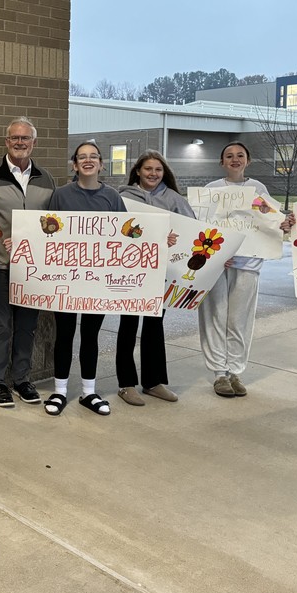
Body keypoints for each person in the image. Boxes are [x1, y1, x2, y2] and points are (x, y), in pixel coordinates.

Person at [0, 117, 56, 408]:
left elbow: (55, 223)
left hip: (32, 269)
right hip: (1, 267)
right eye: (15, 138)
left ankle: (21, 379)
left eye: (25, 138)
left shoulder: (47, 179)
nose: (20, 143)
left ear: (34, 143)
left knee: (27, 326)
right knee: (0, 326)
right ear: (6, 142)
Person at [198, 142, 295, 398]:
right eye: (228, 155)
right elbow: (200, 227)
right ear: (222, 162)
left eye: (240, 155)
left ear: (248, 161)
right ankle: (219, 373)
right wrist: (216, 254)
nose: (235, 159)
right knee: (215, 316)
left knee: (239, 320)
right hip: (217, 265)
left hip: (249, 264)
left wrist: (285, 223)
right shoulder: (211, 190)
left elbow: (270, 220)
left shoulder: (258, 189)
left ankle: (235, 370)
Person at [43, 142, 125, 416]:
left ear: (101, 164)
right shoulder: (61, 195)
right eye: (82, 157)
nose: (88, 161)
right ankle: (60, 391)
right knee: (64, 334)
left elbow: (128, 236)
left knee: (91, 334)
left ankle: (89, 392)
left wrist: (160, 239)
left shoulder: (112, 197)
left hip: (98, 281)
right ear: (74, 165)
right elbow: (46, 231)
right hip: (65, 278)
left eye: (93, 157)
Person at [116, 150, 194, 406]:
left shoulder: (173, 198)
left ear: (164, 173)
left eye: (158, 170)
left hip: (161, 273)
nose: (153, 174)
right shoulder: (124, 197)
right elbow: (114, 232)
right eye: (148, 169)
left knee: (154, 327)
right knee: (128, 327)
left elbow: (192, 229)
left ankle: (153, 382)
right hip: (130, 272)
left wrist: (174, 238)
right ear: (138, 171)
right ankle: (126, 384)